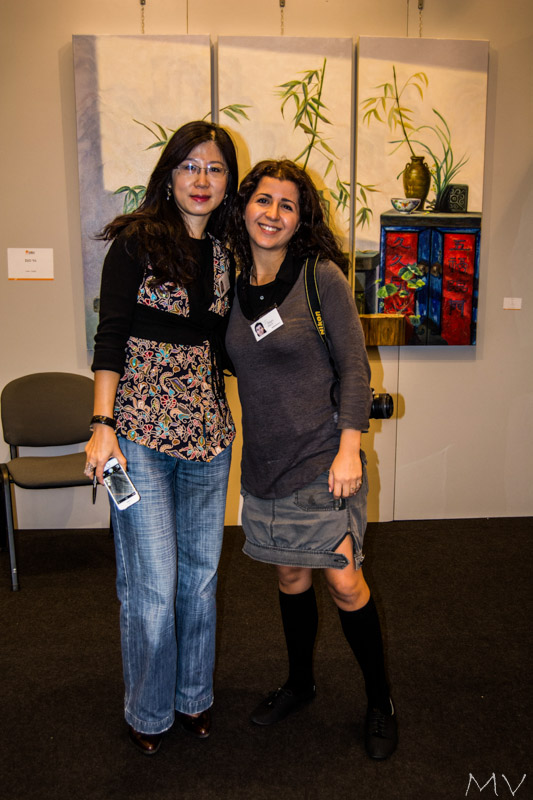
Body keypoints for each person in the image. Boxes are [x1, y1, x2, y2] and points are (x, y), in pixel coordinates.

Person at [226, 160, 397, 760]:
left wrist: (350, 448)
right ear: (244, 207)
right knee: (290, 577)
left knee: (345, 581)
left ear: (301, 219)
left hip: (325, 459)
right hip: (265, 464)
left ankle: (380, 701)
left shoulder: (320, 277)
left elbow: (355, 368)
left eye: (287, 205)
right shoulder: (230, 285)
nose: (273, 214)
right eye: (263, 200)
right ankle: (300, 684)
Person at [84, 120, 238, 756]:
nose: (202, 179)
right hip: (140, 434)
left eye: (215, 168)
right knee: (151, 587)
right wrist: (102, 426)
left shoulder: (226, 253)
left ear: (228, 182)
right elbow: (111, 335)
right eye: (190, 166)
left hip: (209, 435)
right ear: (169, 174)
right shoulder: (137, 241)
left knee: (199, 581)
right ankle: (148, 711)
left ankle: (193, 696)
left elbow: (226, 346)